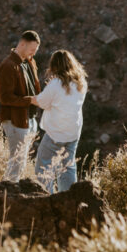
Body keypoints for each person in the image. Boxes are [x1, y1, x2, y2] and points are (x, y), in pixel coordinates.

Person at [32, 49, 87, 193]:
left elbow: (42, 102)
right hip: (73, 133)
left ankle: (45, 197)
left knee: (43, 168)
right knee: (67, 168)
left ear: (55, 66)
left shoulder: (55, 84)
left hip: (55, 134)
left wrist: (28, 98)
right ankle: (68, 199)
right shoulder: (81, 82)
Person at [0, 30, 41, 181]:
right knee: (16, 162)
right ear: (22, 44)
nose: (33, 54)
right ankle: (6, 194)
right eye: (31, 50)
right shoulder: (8, 66)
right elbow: (5, 98)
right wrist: (30, 100)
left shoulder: (29, 63)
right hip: (15, 121)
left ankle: (9, 193)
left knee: (20, 162)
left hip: (30, 119)